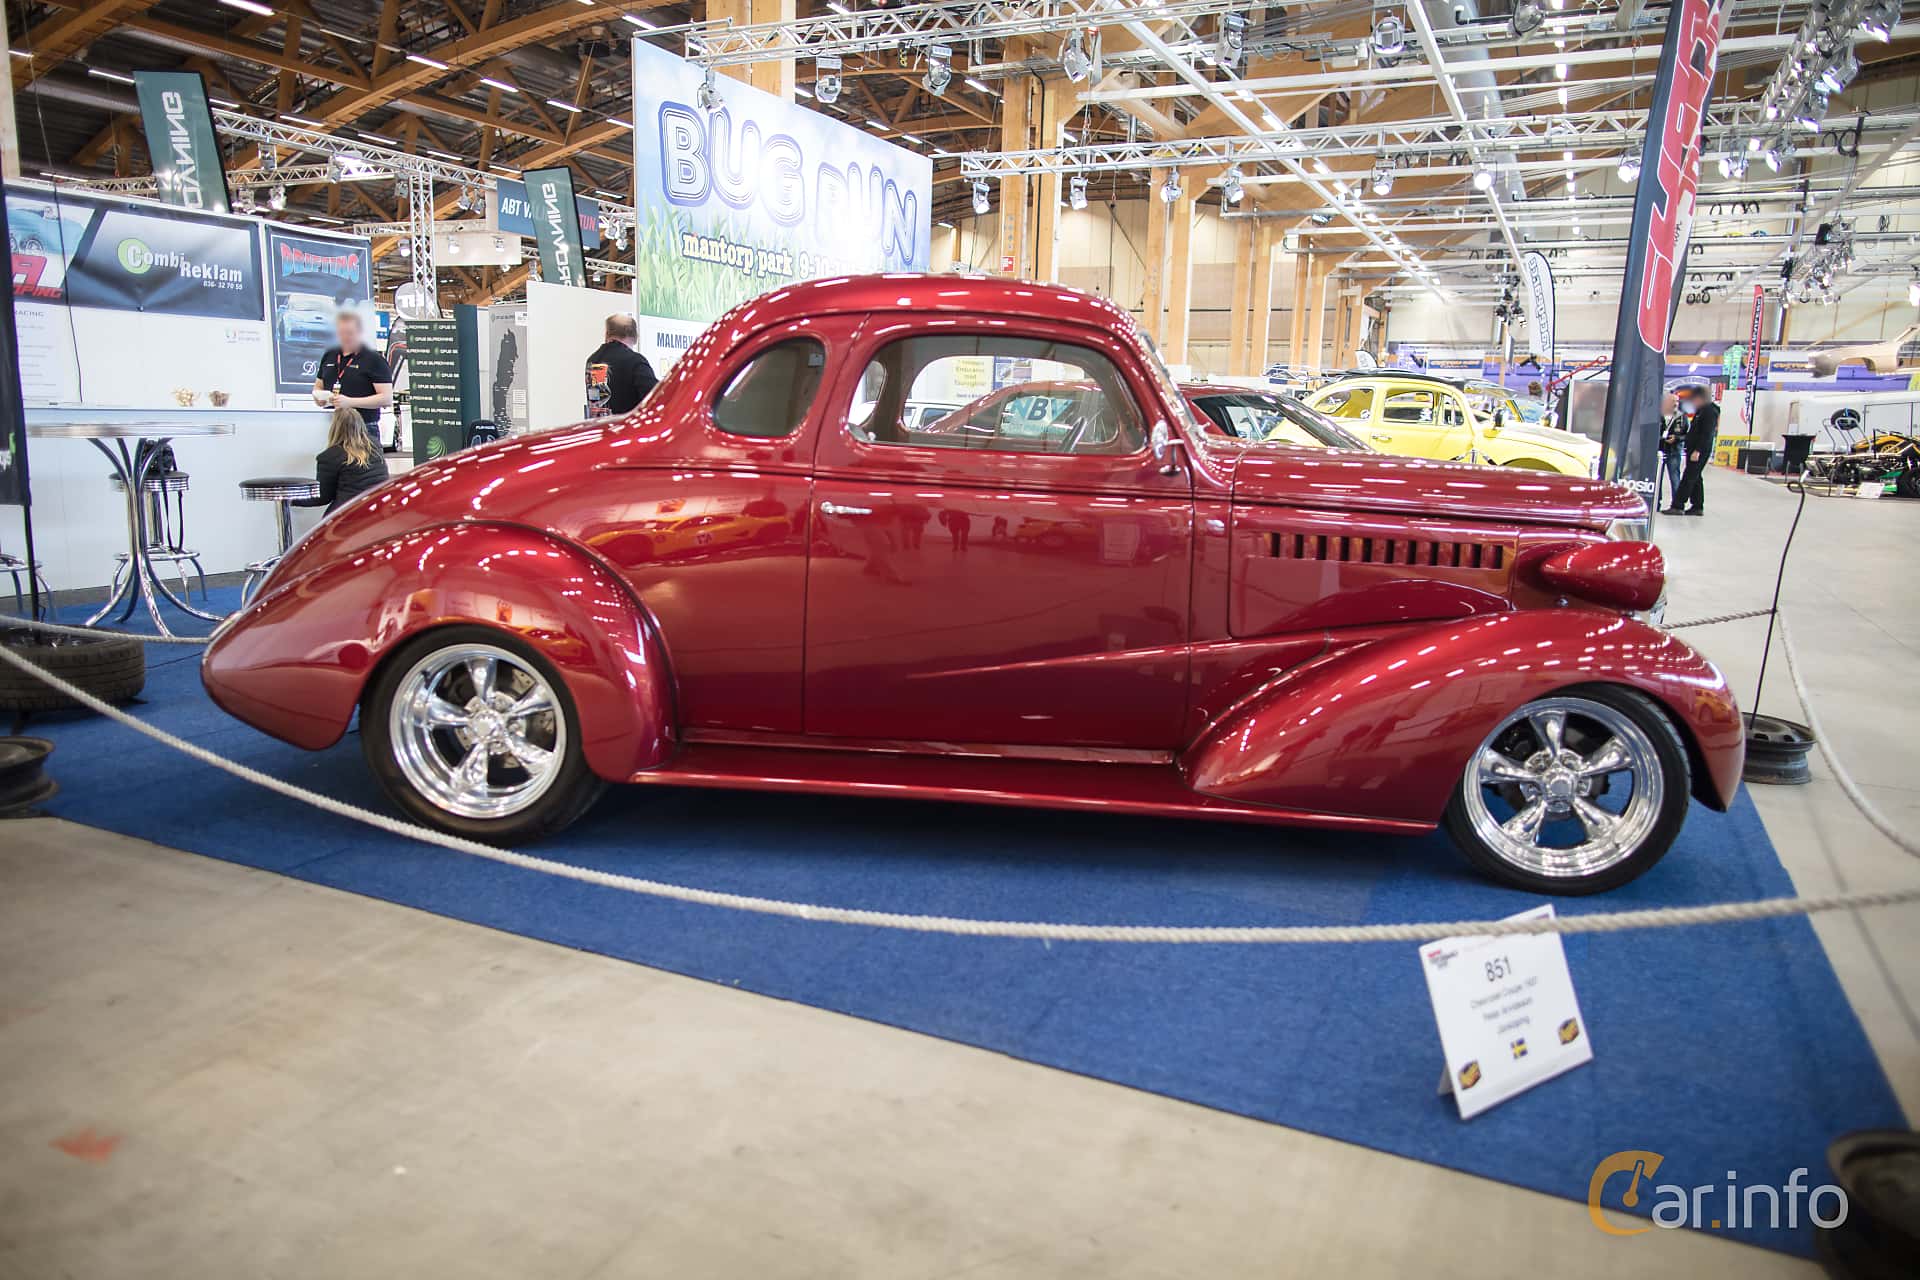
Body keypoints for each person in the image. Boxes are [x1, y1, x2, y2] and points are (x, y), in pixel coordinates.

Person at [312, 310, 394, 437]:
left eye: (349, 333)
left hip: (363, 427)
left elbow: (386, 398)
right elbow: (318, 385)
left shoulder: (373, 359)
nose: (345, 337)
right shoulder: (330, 356)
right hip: (333, 426)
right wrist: (319, 397)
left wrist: (350, 402)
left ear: (360, 332)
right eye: (341, 333)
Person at [295, 405, 390, 514]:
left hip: (348, 513)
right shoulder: (374, 445)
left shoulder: (330, 456)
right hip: (377, 508)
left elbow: (323, 497)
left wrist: (291, 499)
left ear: (334, 428)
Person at [585, 313, 658, 417]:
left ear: (607, 334)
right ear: (635, 336)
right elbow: (656, 399)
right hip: (627, 429)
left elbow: (597, 400)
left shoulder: (593, 360)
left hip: (600, 428)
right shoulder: (635, 361)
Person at [1664, 385, 1719, 517]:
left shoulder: (1710, 412)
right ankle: (1697, 505)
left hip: (1699, 450)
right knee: (1696, 477)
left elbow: (1707, 434)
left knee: (1689, 477)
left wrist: (1698, 451)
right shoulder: (1702, 410)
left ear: (1700, 398)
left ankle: (1678, 505)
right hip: (1693, 448)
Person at [1657, 390, 1687, 508]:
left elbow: (1687, 434)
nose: (1675, 403)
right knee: (1657, 478)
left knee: (1675, 478)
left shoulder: (1681, 417)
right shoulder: (1658, 415)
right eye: (1672, 401)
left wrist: (1677, 438)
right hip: (1660, 451)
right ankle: (1656, 504)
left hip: (1674, 451)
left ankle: (1677, 505)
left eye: (1677, 401)